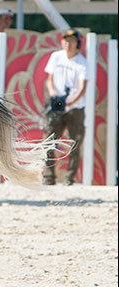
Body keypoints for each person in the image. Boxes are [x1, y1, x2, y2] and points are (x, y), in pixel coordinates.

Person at [42, 28, 88, 186]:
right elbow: (50, 79)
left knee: (75, 142)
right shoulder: (56, 56)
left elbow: (82, 88)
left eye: (72, 41)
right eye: (66, 40)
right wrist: (53, 94)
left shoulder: (82, 61)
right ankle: (49, 176)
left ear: (78, 43)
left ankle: (69, 177)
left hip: (75, 107)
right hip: (57, 105)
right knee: (49, 140)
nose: (68, 44)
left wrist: (70, 102)